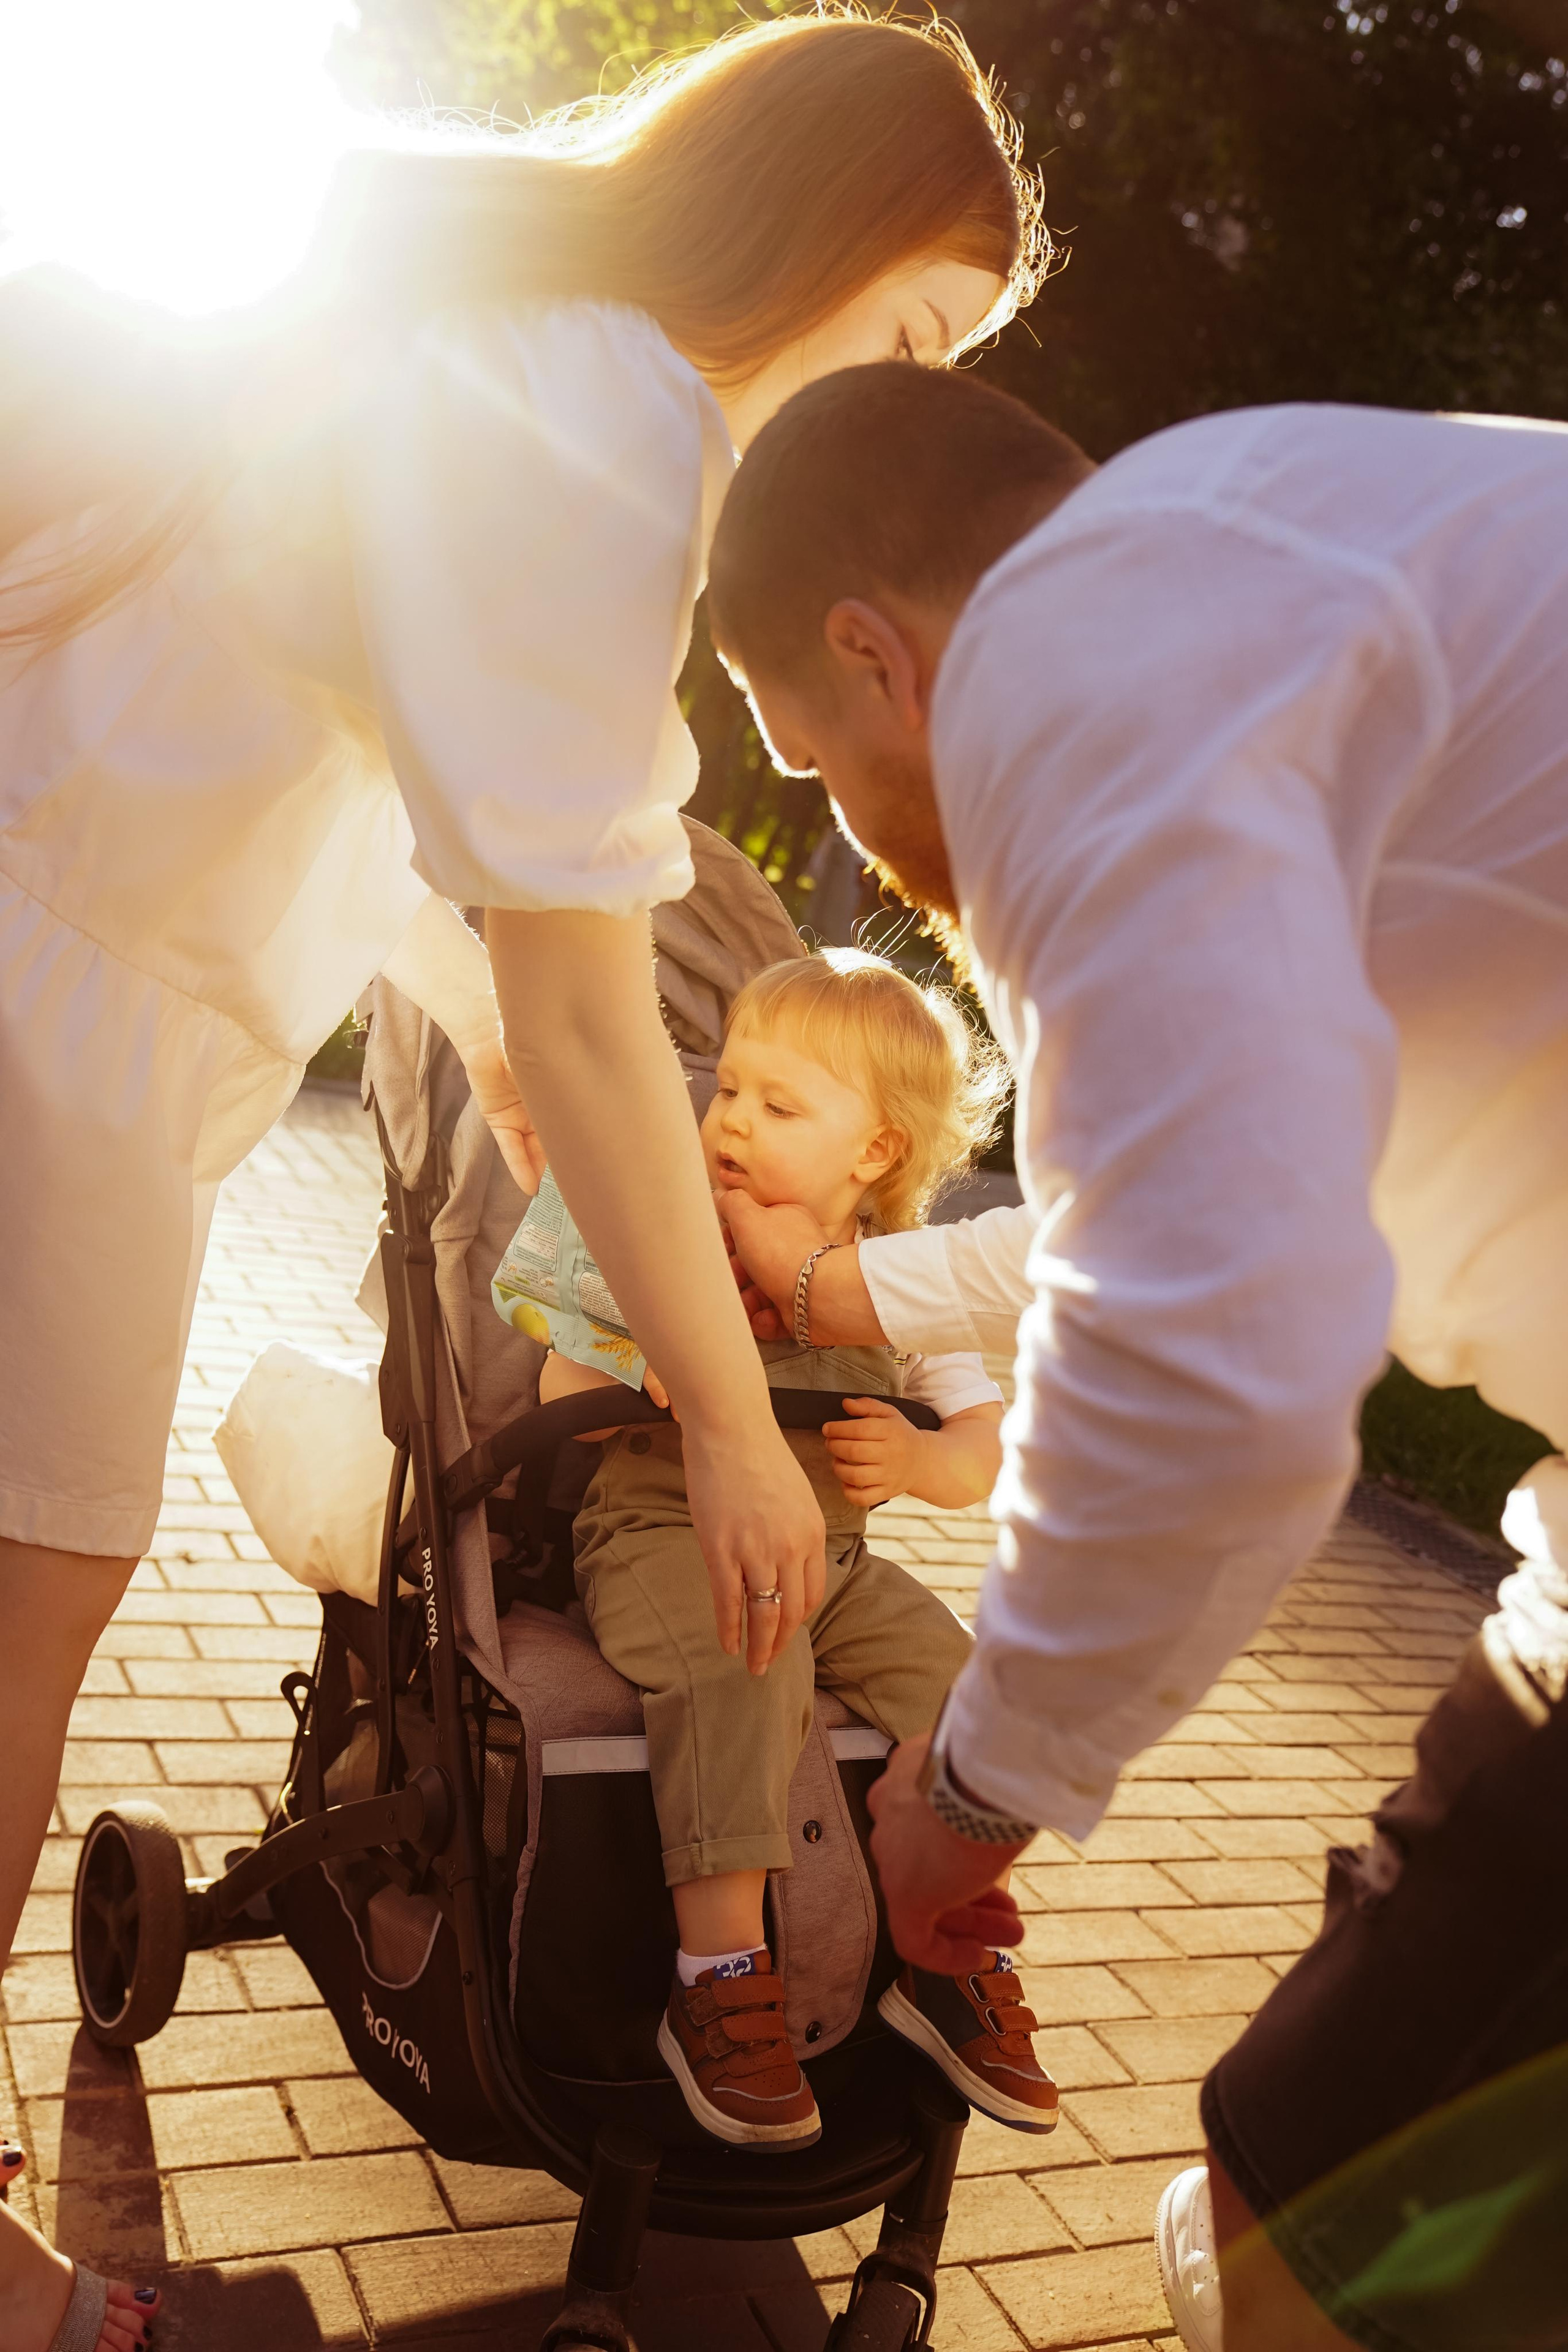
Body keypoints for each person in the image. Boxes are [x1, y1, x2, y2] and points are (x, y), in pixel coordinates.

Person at [0, 23, 1043, 2342]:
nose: (912, 401)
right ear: (811, 230)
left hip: (81, 990)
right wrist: (743, 1432)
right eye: (916, 333)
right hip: (50, 1004)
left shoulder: (533, 360)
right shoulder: (609, 419)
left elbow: (317, 739)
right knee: (27, 1614)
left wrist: (471, 1012)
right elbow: (596, 998)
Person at [704, 361, 1568, 2350]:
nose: (861, 827)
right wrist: (871, 1303)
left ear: (875, 652)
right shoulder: (1260, 534)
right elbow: (1196, 1197)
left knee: (1310, 2185)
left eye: (821, 768)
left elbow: (1223, 1353)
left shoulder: (1076, 667)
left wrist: (973, 1788)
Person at [495, 948, 1058, 2147]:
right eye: (728, 1090)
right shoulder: (660, 1231)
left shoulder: (887, 1286)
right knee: (745, 1662)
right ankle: (718, 1981)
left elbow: (978, 1449)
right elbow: (551, 1376)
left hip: (837, 1564)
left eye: (778, 1104)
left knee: (964, 1691)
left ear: (872, 1157)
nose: (732, 1119)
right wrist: (649, 1369)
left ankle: (941, 1956)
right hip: (661, 1535)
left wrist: (919, 1464)